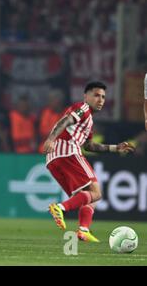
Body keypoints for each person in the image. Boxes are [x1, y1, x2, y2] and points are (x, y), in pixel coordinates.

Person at [43, 81, 135, 242]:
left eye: (103, 97)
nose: (100, 100)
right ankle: (60, 208)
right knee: (97, 192)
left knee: (89, 197)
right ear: (86, 96)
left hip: (53, 159)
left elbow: (90, 146)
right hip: (68, 152)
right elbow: (64, 121)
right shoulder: (83, 108)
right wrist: (51, 138)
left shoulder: (89, 121)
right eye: (96, 95)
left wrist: (115, 148)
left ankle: (83, 230)